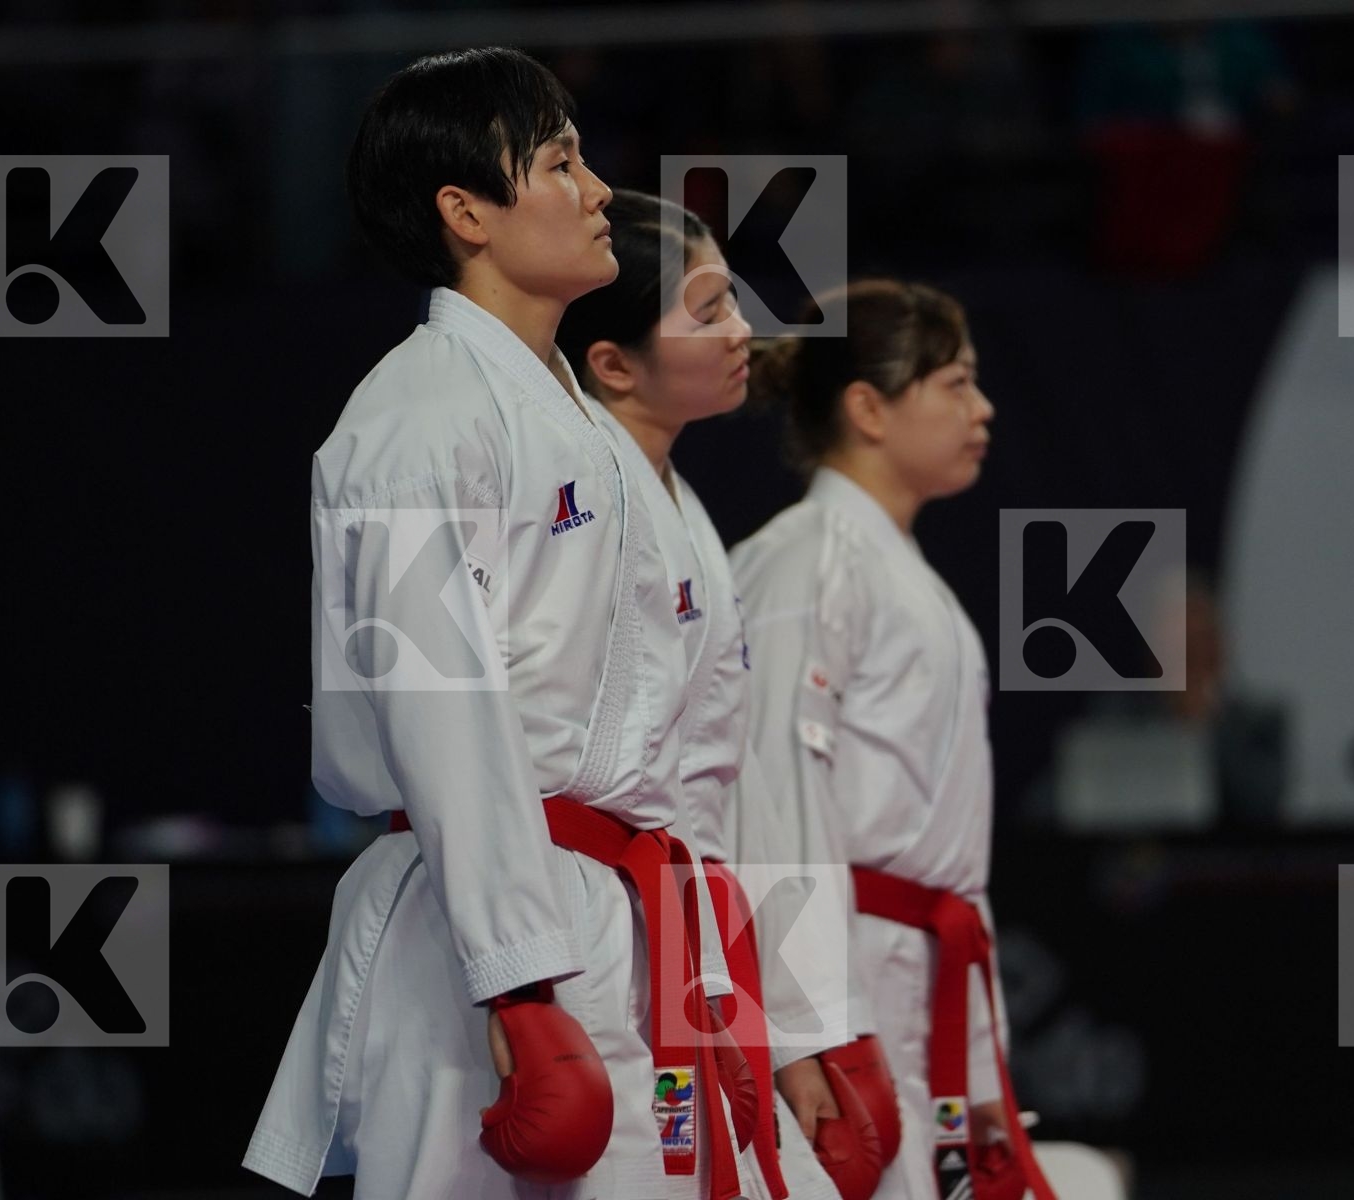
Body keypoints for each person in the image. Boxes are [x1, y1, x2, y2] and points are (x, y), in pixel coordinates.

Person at [243, 48, 743, 1200]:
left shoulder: (585, 430)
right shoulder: (415, 420)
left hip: (621, 909)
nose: (599, 189)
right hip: (477, 932)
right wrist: (516, 979)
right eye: (560, 162)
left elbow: (697, 749)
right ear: (465, 211)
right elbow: (439, 703)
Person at [556, 189, 894, 1200]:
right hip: (590, 932)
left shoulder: (680, 508)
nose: (744, 330)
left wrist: (793, 1029)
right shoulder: (573, 505)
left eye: (736, 302)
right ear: (614, 365)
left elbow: (740, 799)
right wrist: (516, 985)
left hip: (687, 928)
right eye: (706, 311)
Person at [733, 281, 1055, 1200]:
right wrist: (805, 1030)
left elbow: (955, 861)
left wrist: (986, 1071)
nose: (981, 407)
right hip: (847, 971)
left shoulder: (906, 576)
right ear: (868, 408)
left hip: (921, 969)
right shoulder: (805, 560)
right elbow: (773, 797)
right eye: (954, 383)